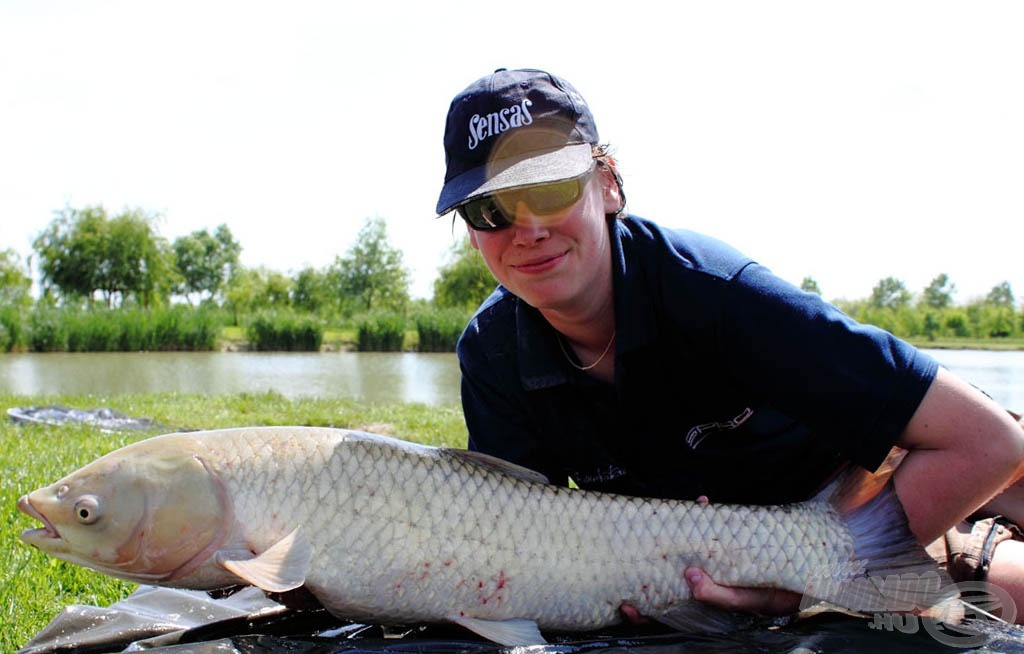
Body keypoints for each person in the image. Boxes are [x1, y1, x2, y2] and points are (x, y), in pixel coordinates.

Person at [434, 68, 1024, 621]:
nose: (529, 228)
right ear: (470, 234)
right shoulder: (491, 354)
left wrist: (794, 589)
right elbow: (512, 550)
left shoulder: (718, 294)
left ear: (607, 183)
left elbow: (988, 441)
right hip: (699, 568)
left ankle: (996, 518)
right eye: (492, 209)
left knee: (1009, 596)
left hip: (862, 505)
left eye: (553, 188)